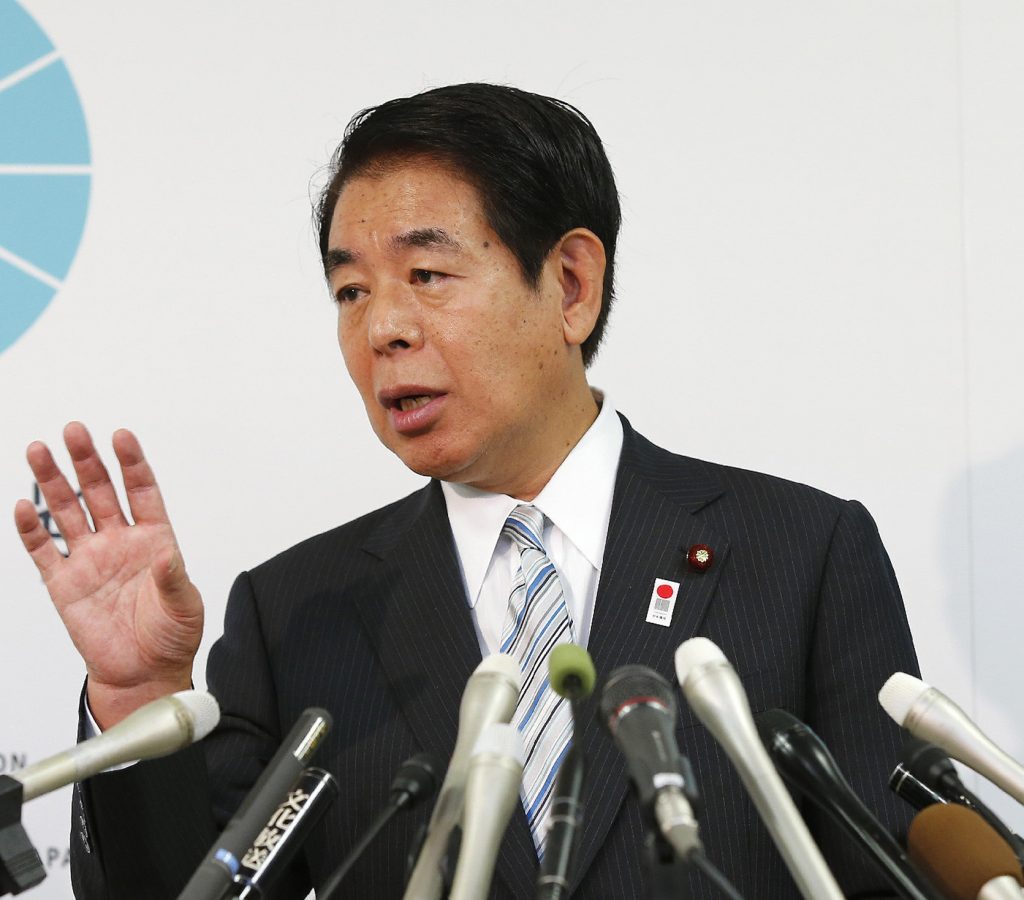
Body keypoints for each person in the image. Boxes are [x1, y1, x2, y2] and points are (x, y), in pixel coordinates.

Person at [14, 83, 919, 898]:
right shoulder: (297, 613)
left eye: (427, 276)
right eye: (350, 290)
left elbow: (898, 870)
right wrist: (136, 695)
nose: (383, 329)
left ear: (571, 285)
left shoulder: (803, 555)